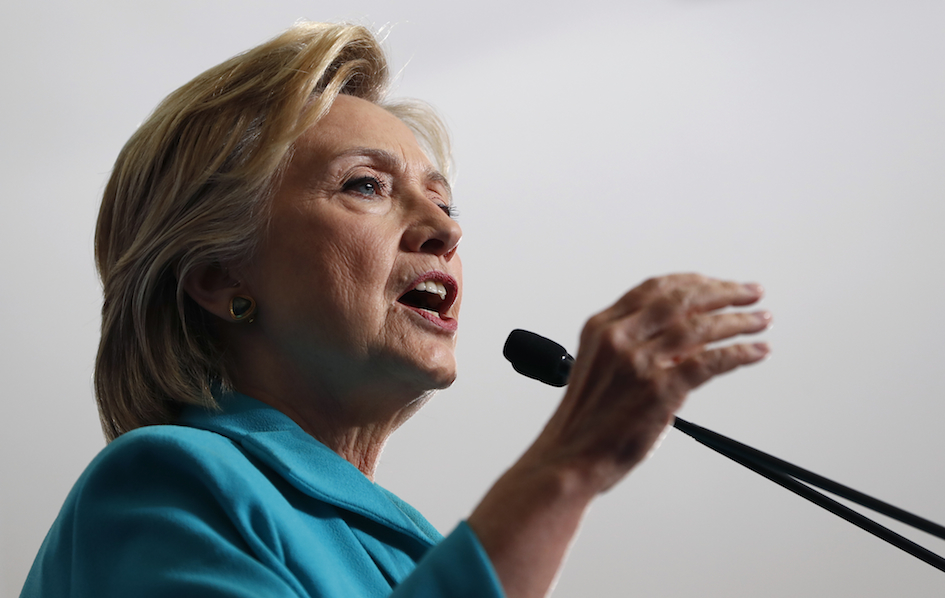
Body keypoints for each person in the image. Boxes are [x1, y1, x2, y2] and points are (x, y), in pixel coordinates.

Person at [21, 21, 771, 598]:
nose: (446, 230)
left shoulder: (416, 548)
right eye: (365, 186)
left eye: (443, 202)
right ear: (219, 275)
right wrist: (566, 466)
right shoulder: (162, 485)